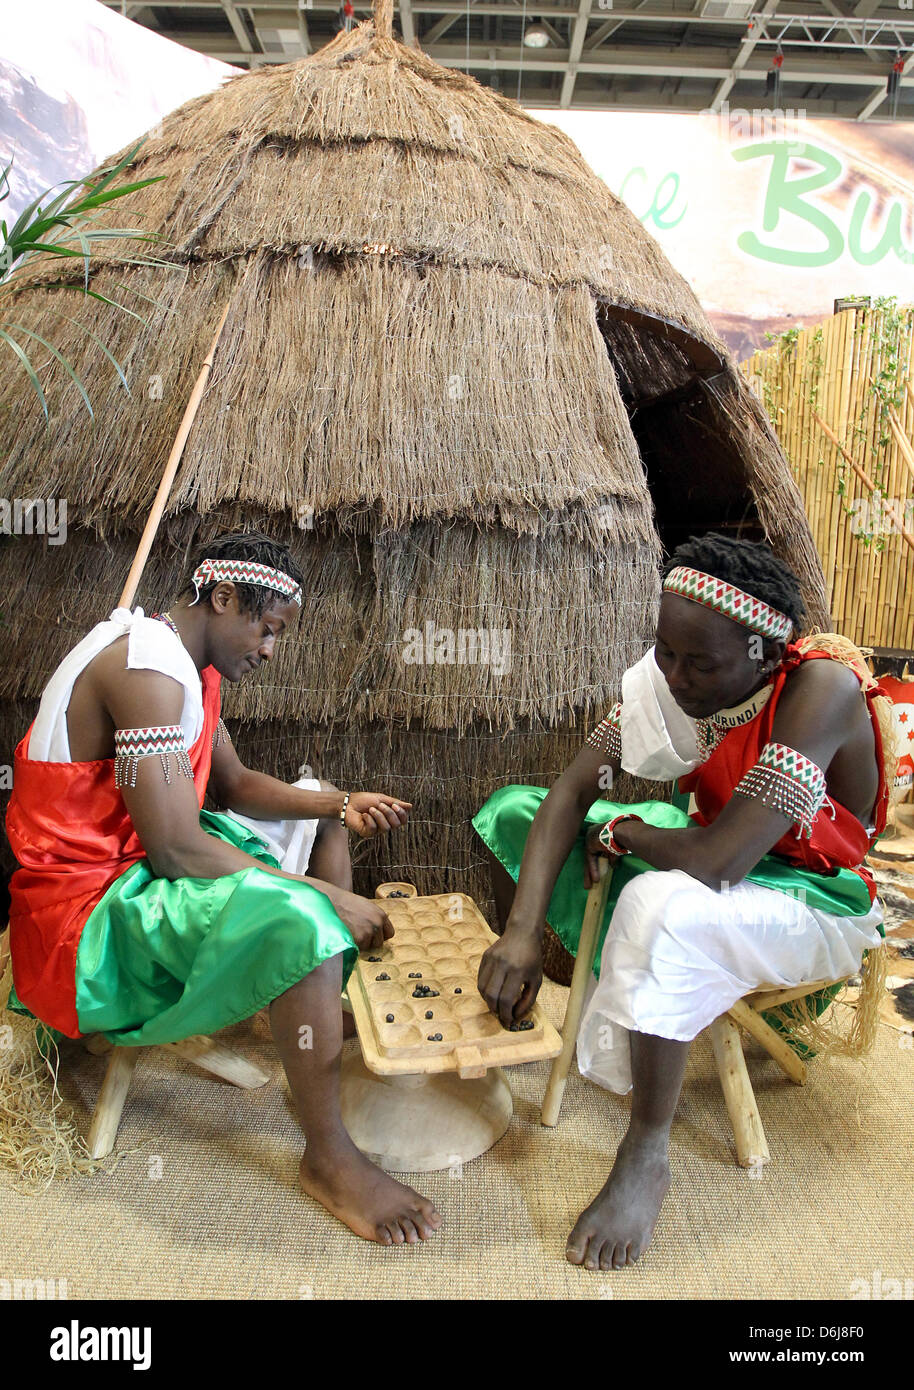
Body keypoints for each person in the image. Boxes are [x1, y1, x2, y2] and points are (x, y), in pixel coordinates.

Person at [5, 529, 441, 1246]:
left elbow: (233, 786)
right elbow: (176, 849)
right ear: (224, 597)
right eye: (267, 629)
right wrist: (326, 898)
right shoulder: (147, 672)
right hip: (85, 918)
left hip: (136, 861)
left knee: (326, 821)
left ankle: (305, 1017)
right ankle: (329, 1158)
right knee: (303, 917)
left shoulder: (183, 664)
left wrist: (340, 803)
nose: (270, 650)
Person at [473, 533, 891, 1271]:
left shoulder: (821, 692)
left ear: (765, 654)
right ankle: (574, 985)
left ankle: (646, 1149)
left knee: (659, 905)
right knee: (519, 808)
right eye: (665, 652)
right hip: (709, 848)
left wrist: (626, 832)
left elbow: (720, 862)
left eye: (699, 663)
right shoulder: (672, 680)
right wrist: (521, 932)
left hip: (807, 892)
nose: (674, 677)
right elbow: (573, 790)